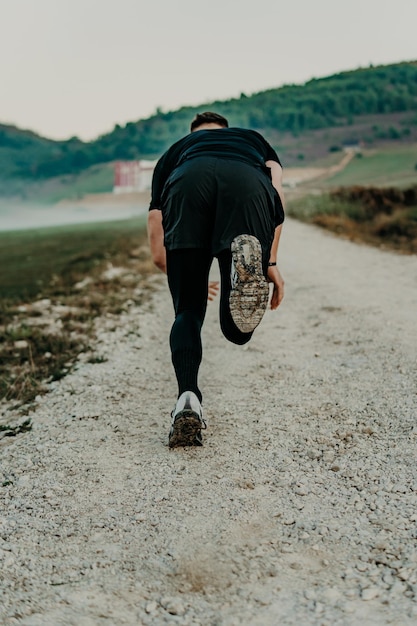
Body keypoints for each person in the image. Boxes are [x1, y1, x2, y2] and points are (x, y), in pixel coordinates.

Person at [147, 112, 285, 448]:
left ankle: (187, 398)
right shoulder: (252, 140)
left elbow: (155, 228)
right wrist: (270, 262)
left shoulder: (178, 150)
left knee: (188, 312)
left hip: (187, 184)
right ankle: (243, 285)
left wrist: (182, 276)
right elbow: (276, 199)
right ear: (226, 130)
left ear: (194, 133)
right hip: (246, 185)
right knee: (236, 332)